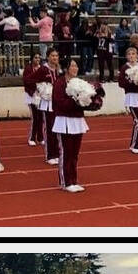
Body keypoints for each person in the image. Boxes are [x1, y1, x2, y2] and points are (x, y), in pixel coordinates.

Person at [52, 58, 93, 192]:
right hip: (64, 120)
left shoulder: (80, 83)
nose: (75, 68)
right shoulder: (59, 83)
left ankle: (73, 180)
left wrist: (91, 101)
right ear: (66, 68)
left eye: (76, 66)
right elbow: (59, 103)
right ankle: (65, 182)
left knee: (75, 153)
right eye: (72, 66)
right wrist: (76, 101)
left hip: (77, 120)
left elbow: (86, 102)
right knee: (66, 152)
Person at [118, 47, 138, 154]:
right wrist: (133, 82)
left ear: (137, 55)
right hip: (132, 97)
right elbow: (121, 83)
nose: (131, 56)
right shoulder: (124, 68)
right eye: (129, 54)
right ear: (126, 56)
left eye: (133, 54)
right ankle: (135, 145)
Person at [21, 52, 46, 147]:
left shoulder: (42, 69)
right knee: (35, 117)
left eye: (39, 58)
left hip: (41, 96)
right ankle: (32, 137)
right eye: (35, 58)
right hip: (32, 95)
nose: (37, 59)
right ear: (32, 59)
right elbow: (26, 81)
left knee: (41, 118)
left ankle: (40, 137)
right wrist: (35, 85)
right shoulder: (28, 69)